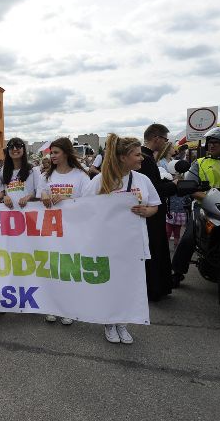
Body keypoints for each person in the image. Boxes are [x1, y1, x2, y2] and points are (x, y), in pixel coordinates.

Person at [83, 134, 161, 344]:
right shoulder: (101, 180)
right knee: (111, 285)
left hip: (135, 243)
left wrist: (147, 211)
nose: (141, 158)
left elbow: (154, 205)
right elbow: (83, 208)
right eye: (137, 155)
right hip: (108, 244)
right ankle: (110, 322)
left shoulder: (142, 180)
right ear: (123, 157)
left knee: (131, 285)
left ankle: (123, 323)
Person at [172, 126, 220, 285]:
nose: (211, 145)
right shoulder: (199, 163)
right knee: (189, 237)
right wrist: (204, 197)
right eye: (210, 142)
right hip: (207, 205)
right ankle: (177, 272)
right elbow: (191, 188)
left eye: (216, 142)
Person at [37, 137, 90, 325]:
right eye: (51, 153)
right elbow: (41, 193)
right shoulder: (46, 176)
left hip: (72, 229)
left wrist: (67, 200)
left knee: (69, 268)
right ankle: (51, 305)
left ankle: (69, 307)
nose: (52, 156)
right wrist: (44, 194)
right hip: (51, 230)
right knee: (52, 267)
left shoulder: (81, 176)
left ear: (66, 153)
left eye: (56, 152)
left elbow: (88, 203)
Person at [138, 124, 177, 300]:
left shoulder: (145, 157)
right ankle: (154, 288)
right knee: (153, 250)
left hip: (152, 213)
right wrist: (173, 185)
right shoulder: (145, 158)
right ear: (156, 138)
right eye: (165, 139)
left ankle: (157, 287)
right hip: (150, 214)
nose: (165, 143)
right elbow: (151, 190)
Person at [0, 138, 35, 210]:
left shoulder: (32, 170)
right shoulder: (3, 170)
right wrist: (5, 197)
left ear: (23, 149)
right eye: (11, 147)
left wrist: (27, 197)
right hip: (10, 213)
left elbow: (38, 191)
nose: (15, 149)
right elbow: (3, 191)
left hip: (29, 212)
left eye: (18, 146)